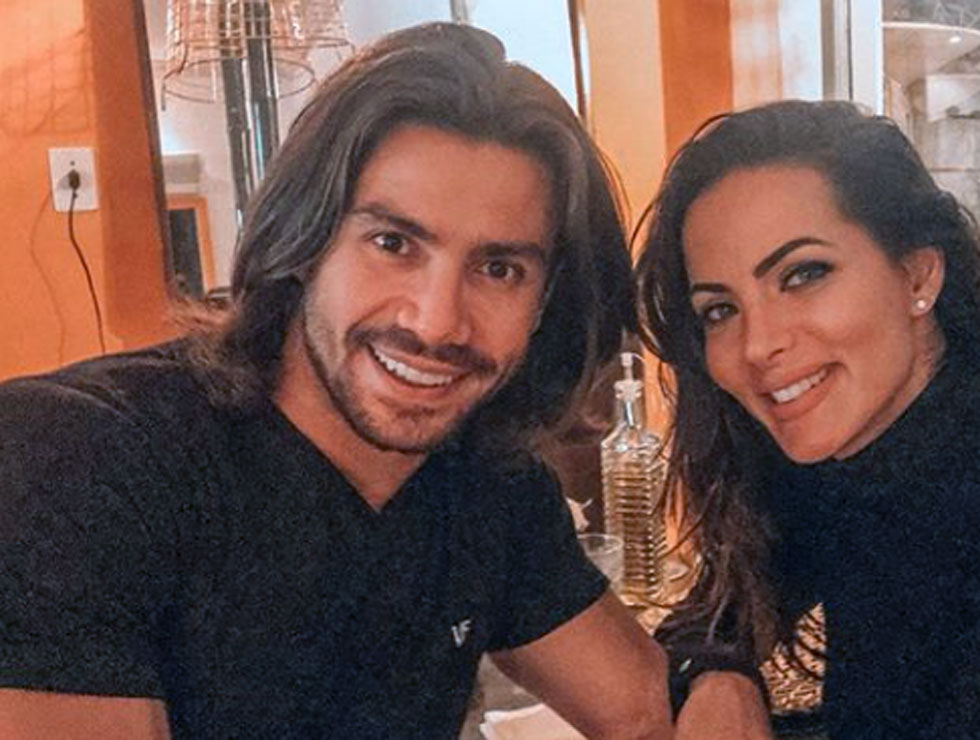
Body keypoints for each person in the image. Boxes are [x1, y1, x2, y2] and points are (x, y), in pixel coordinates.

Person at [0, 23, 671, 740]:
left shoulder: (487, 482)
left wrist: (720, 667)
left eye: (499, 269)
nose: (438, 321)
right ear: (305, 237)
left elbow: (646, 710)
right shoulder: (80, 460)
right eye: (393, 243)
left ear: (546, 303)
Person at [636, 100, 980, 738]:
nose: (757, 344)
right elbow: (721, 602)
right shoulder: (839, 466)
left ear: (917, 277)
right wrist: (718, 674)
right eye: (720, 310)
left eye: (803, 275)